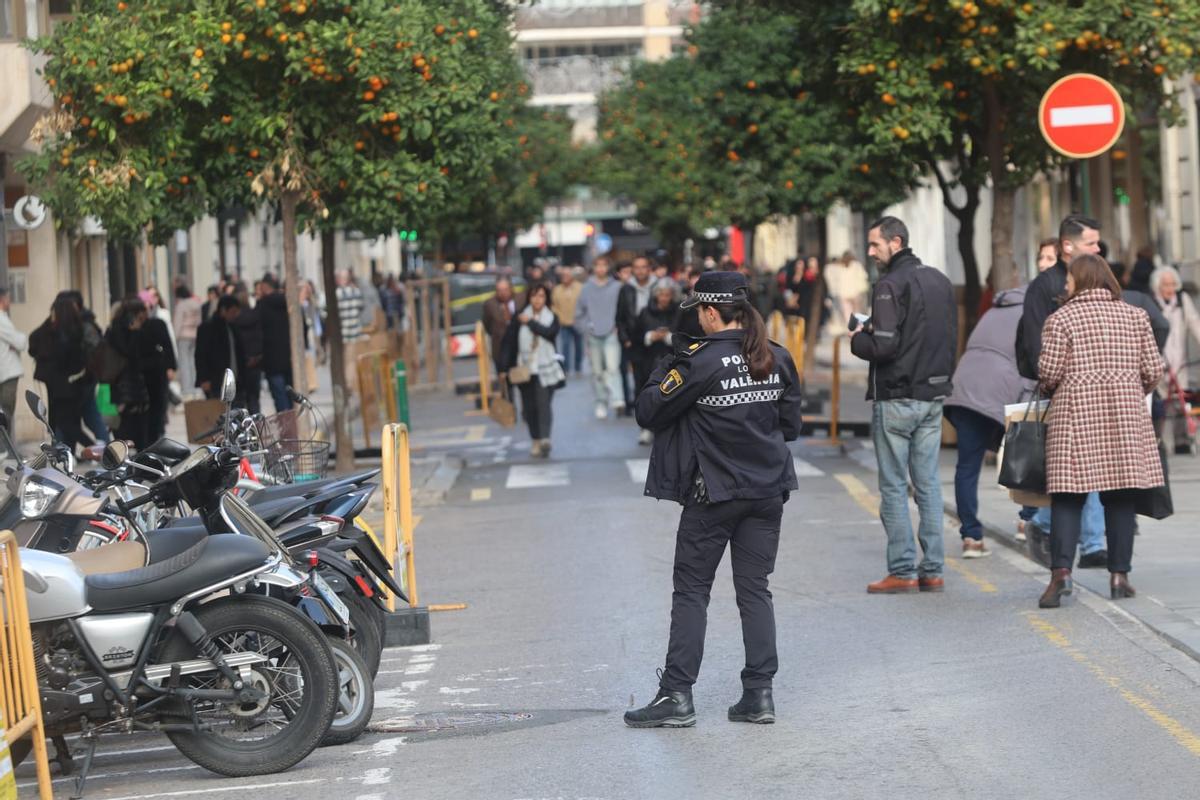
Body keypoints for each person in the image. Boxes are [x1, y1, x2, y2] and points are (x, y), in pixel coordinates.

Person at [624, 271, 803, 729]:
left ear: (708, 312)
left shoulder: (699, 362)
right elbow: (791, 427)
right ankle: (759, 695)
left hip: (714, 495)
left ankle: (676, 696)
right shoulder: (777, 356)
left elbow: (649, 410)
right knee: (755, 591)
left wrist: (666, 363)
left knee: (691, 592)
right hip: (767, 492)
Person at [1037, 254, 1165, 608]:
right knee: (1120, 494)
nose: (1065, 284)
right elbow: (1154, 369)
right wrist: (1127, 387)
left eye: (1069, 279)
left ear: (1080, 280)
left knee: (1067, 495)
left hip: (1074, 414)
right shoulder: (1135, 316)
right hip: (1125, 415)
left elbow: (1048, 373)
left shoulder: (1061, 319)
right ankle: (1119, 576)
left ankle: (1061, 574)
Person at [850, 216, 957, 594]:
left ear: (896, 242)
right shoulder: (940, 281)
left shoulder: (888, 285)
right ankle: (933, 569)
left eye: (875, 244)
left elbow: (884, 346)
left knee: (894, 486)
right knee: (928, 484)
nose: (871, 251)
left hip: (897, 397)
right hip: (932, 396)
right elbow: (947, 337)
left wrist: (857, 338)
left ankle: (902, 569)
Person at [1017, 215, 1110, 568]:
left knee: (1091, 467)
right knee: (1074, 471)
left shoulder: (1099, 281)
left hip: (1093, 393)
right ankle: (1062, 531)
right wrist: (1055, 384)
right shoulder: (1044, 287)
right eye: (1091, 243)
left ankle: (1088, 543)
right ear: (1068, 247)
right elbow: (1036, 345)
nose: (1098, 248)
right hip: (1062, 393)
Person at [944, 284, 1032, 558]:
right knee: (1026, 457)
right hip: (1001, 390)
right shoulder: (1032, 313)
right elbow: (1030, 363)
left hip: (965, 388)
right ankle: (1027, 520)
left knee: (967, 466)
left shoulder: (993, 310)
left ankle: (971, 536)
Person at [502, 284, 564, 458]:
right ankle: (535, 439)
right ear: (529, 298)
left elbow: (549, 333)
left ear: (546, 299)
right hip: (525, 370)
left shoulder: (552, 317)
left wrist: (529, 322)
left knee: (544, 405)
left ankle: (545, 438)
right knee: (530, 408)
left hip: (546, 369)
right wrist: (504, 368)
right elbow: (509, 343)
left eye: (542, 296)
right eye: (534, 296)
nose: (538, 300)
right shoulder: (518, 318)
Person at [1150, 265, 1200, 452]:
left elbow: (1195, 324)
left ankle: (1182, 442)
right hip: (1159, 360)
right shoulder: (1152, 303)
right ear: (1157, 286)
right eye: (1165, 284)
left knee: (1182, 402)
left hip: (1179, 359)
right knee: (1163, 403)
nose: (1170, 288)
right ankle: (1163, 442)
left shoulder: (1182, 300)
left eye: (1173, 284)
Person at [29, 298, 89, 451]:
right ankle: (69, 451)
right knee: (69, 421)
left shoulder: (60, 334)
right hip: (73, 382)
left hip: (62, 385)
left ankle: (94, 448)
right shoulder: (76, 329)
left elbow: (60, 357)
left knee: (64, 422)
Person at [574, 257, 625, 419]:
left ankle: (617, 399)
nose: (601, 269)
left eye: (604, 265)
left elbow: (624, 309)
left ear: (608, 267)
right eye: (598, 266)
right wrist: (586, 328)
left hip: (612, 332)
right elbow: (578, 313)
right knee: (597, 372)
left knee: (612, 367)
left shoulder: (617, 287)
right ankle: (601, 402)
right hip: (593, 334)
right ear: (594, 268)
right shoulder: (586, 288)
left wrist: (620, 327)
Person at [633, 279, 680, 445]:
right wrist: (649, 336)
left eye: (667, 295)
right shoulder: (645, 312)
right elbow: (636, 334)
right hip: (648, 359)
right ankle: (646, 428)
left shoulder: (678, 312)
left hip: (672, 359)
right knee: (647, 394)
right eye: (661, 294)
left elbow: (684, 334)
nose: (664, 298)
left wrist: (668, 337)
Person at [104, 298, 153, 449]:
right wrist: (136, 332)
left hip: (120, 389)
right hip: (127, 389)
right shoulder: (126, 332)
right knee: (133, 434)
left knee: (124, 433)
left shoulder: (112, 331)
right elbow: (132, 356)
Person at [618, 256, 656, 415]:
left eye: (643, 267)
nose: (640, 271)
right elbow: (620, 317)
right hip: (635, 341)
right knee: (639, 380)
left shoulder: (658, 286)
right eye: (637, 267)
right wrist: (624, 338)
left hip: (656, 342)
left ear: (649, 268)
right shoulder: (626, 289)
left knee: (656, 379)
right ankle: (644, 418)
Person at [138, 296, 176, 445]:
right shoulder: (129, 328)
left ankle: (156, 434)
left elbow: (167, 346)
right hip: (140, 373)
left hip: (155, 373)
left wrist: (170, 366)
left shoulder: (157, 324)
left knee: (158, 405)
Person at [195, 295, 248, 401]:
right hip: (216, 381)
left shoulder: (233, 327)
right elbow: (201, 355)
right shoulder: (207, 328)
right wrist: (204, 378)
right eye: (233, 312)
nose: (235, 315)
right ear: (223, 310)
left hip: (236, 382)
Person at [256, 275, 294, 412]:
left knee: (279, 397)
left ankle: (286, 428)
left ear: (265, 287)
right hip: (289, 356)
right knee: (290, 395)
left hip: (271, 358)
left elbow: (258, 331)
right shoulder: (288, 303)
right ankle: (293, 424)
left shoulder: (262, 305)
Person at [482, 276, 524, 386]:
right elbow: (487, 324)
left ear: (511, 289)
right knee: (505, 383)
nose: (503, 293)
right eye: (499, 290)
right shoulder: (490, 304)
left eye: (505, 290)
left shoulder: (521, 300)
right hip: (500, 349)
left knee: (522, 382)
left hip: (520, 348)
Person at [0, 289, 26, 431]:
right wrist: (19, 339)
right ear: (2, 300)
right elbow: (20, 342)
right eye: (8, 298)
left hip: (5, 371)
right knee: (6, 412)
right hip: (7, 372)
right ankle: (5, 449)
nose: (10, 301)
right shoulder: (1, 319)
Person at [173, 284, 203, 402]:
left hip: (183, 336)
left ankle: (186, 388)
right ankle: (194, 386)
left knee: (184, 362)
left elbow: (178, 322)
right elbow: (200, 320)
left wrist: (175, 336)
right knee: (192, 361)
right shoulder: (196, 304)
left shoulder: (181, 305)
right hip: (195, 335)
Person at [551, 267, 584, 374]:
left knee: (579, 346)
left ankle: (578, 367)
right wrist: (559, 317)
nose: (565, 277)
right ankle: (566, 368)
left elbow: (584, 304)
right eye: (563, 275)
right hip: (564, 322)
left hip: (578, 322)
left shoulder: (580, 287)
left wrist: (581, 317)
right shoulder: (557, 289)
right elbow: (553, 306)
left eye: (567, 275)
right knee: (565, 346)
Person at [335, 269, 366, 344]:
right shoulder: (357, 291)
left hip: (344, 332)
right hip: (355, 330)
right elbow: (361, 307)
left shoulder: (337, 293)